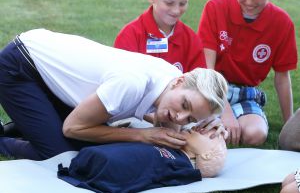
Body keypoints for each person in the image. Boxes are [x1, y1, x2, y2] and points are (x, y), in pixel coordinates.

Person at [0, 28, 228, 160]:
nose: (179, 118)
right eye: (184, 105)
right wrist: (143, 136)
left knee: (87, 143)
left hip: (45, 70)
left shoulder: (174, 81)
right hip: (19, 66)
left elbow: (174, 124)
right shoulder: (132, 83)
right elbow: (73, 127)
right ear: (179, 82)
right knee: (59, 153)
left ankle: (16, 125)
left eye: (189, 118)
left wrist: (204, 128)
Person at [197, 0, 298, 146]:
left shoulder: (282, 23)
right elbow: (207, 69)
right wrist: (224, 111)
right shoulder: (215, 7)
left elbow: (282, 78)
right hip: (211, 87)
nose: (250, 2)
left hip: (246, 92)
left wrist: (290, 126)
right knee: (207, 135)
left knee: (256, 134)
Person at [57, 128, 227, 193]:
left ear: (205, 156)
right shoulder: (169, 143)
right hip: (94, 157)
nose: (198, 129)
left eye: (204, 135)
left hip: (107, 168)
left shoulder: (182, 167)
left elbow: (164, 179)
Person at [114, 0, 206, 73]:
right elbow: (120, 79)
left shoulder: (191, 41)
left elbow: (199, 84)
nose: (176, 11)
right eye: (169, 3)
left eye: (182, 3)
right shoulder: (130, 36)